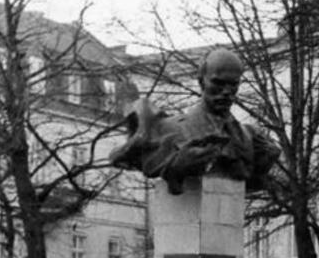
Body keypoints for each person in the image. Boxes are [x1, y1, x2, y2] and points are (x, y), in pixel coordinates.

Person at [110, 48, 279, 195]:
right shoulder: (166, 128)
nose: (226, 91)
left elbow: (252, 182)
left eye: (233, 85)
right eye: (218, 83)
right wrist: (175, 167)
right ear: (201, 81)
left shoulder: (250, 137)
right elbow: (124, 157)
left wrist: (263, 167)